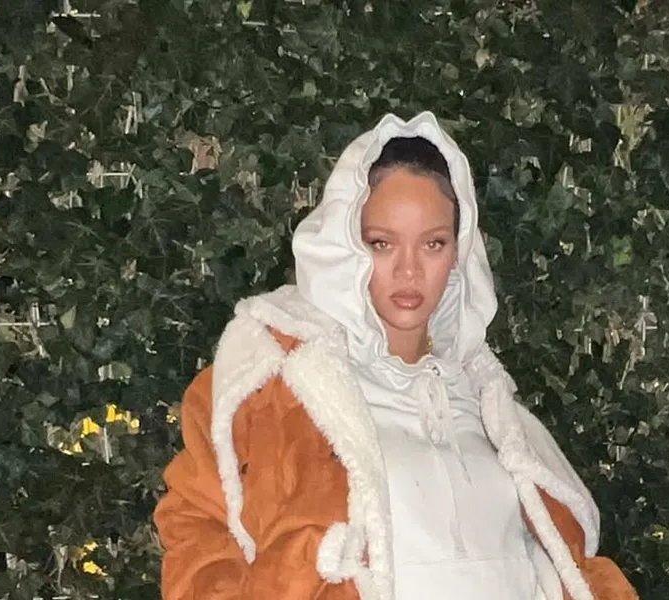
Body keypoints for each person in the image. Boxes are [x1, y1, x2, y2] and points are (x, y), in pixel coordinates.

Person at [154, 112, 637, 600]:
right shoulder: (271, 386)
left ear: (458, 252)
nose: (409, 271)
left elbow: (566, 565)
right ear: (345, 244)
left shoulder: (489, 402)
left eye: (433, 243)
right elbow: (197, 531)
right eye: (382, 243)